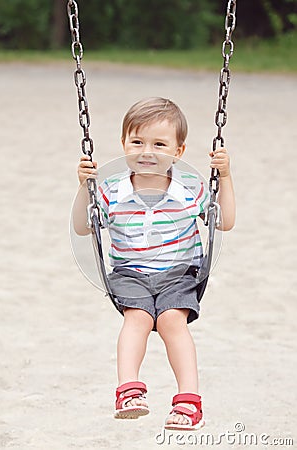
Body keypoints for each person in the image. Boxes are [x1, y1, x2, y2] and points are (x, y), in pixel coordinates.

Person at [74, 97, 235, 431]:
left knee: (171, 322)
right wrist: (82, 189)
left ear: (178, 151)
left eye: (159, 144)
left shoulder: (191, 188)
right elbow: (81, 226)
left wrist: (226, 176)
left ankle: (189, 401)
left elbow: (226, 221)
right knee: (138, 319)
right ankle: (129, 391)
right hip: (130, 274)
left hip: (179, 274)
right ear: (123, 144)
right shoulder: (110, 191)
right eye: (137, 142)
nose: (147, 151)